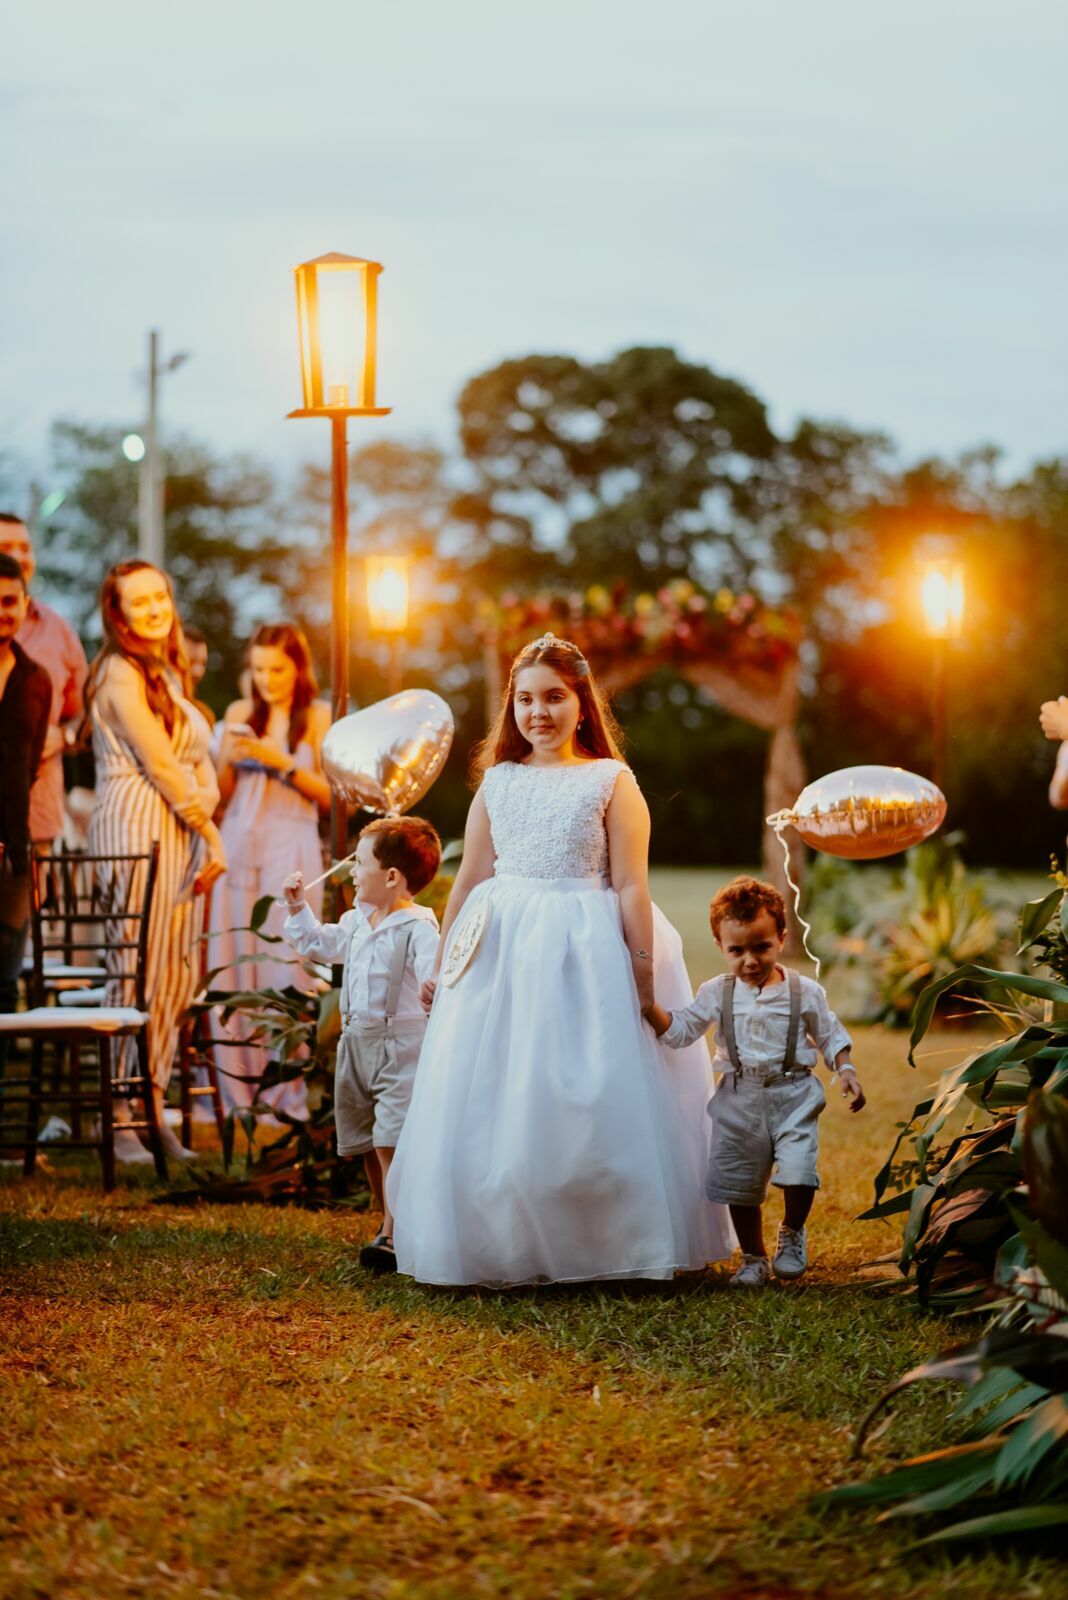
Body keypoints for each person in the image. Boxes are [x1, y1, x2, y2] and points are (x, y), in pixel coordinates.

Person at [387, 632, 732, 1287]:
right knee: (504, 1090)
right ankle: (506, 1235)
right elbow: (468, 878)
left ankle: (608, 1237)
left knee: (595, 1089)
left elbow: (631, 883)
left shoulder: (610, 780)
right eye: (524, 700)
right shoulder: (499, 782)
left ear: (582, 705)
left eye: (554, 697)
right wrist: (441, 963)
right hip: (502, 944)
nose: (538, 712)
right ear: (510, 708)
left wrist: (638, 966)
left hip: (587, 942)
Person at [645, 875, 865, 1289]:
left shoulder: (805, 991)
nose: (750, 960)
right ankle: (753, 1257)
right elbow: (684, 1029)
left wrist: (846, 1069)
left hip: (794, 1093)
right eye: (737, 950)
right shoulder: (717, 991)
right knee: (738, 1183)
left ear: (781, 937)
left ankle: (792, 1232)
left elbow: (830, 1034)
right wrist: (649, 1007)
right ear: (720, 947)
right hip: (738, 1097)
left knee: (800, 1170)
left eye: (761, 947)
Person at [85, 559, 227, 1163]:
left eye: (159, 597)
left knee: (173, 974)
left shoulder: (167, 674)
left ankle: (151, 1102)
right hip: (137, 819)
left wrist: (202, 814)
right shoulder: (118, 671)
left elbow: (199, 766)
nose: (152, 608)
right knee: (134, 967)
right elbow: (161, 763)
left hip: (179, 825)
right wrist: (211, 832)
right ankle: (115, 1113)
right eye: (137, 600)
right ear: (117, 612)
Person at [282, 816, 442, 1272]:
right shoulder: (356, 922)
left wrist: (435, 988)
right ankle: (389, 1220)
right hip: (356, 1044)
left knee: (391, 1139)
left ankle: (393, 1234)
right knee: (369, 1141)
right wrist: (297, 907)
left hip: (400, 1047)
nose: (350, 868)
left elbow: (437, 975)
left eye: (359, 860)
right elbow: (315, 942)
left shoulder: (418, 929)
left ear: (391, 877)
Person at [208, 624, 331, 1120]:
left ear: (297, 668)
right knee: (237, 959)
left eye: (276, 669)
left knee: (286, 962)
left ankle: (287, 1092)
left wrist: (277, 760)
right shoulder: (240, 713)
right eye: (258, 669)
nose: (266, 680)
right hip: (241, 839)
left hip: (293, 840)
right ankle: (237, 1094)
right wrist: (229, 757)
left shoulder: (318, 716)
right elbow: (220, 796)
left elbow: (330, 797)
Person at [0, 513, 88, 851]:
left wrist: (64, 735)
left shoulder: (59, 630)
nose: (19, 556)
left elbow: (84, 713)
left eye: (25, 547)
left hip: (37, 821)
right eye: (6, 547)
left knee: (31, 905)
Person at [0, 553, 51, 1081]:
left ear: (24, 604)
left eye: (9, 602)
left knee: (3, 981)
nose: (2, 612)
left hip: (14, 856)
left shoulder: (36, 679)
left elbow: (32, 764)